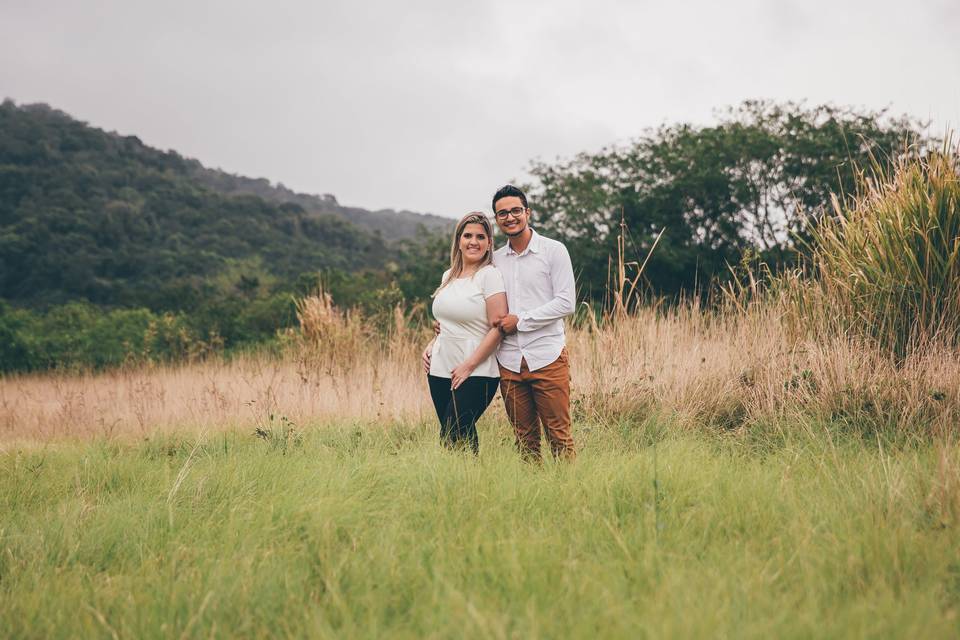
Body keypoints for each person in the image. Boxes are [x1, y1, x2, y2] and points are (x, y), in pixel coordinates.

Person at [491, 185, 577, 461]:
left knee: (559, 436)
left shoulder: (553, 251)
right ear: (496, 219)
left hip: (547, 357)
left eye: (516, 210)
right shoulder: (494, 261)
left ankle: (570, 497)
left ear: (527, 212)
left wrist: (522, 321)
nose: (510, 217)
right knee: (524, 440)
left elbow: (566, 303)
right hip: (509, 361)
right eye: (502, 213)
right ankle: (535, 498)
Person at [421, 212, 508, 453]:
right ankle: (465, 485)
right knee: (457, 435)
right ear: (458, 240)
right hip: (440, 365)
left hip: (476, 368)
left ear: (489, 243)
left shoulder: (490, 275)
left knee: (453, 428)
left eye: (481, 237)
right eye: (467, 235)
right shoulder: (447, 276)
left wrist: (469, 366)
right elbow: (446, 320)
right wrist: (431, 343)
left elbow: (498, 327)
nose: (473, 241)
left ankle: (470, 481)